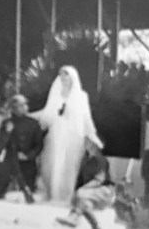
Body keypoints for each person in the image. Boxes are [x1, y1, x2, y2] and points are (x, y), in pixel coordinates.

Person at [29, 66, 102, 204]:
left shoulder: (82, 96)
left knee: (69, 167)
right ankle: (53, 195)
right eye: (61, 75)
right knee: (55, 164)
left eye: (66, 75)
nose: (63, 78)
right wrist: (29, 116)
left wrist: (93, 136)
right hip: (57, 135)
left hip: (73, 137)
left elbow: (86, 119)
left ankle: (65, 196)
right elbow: (47, 114)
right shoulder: (56, 94)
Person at [56, 151, 115, 229]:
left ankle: (74, 216)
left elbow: (99, 180)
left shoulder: (98, 159)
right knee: (85, 205)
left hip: (105, 192)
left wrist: (82, 190)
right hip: (95, 195)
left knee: (81, 194)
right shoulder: (83, 166)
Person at [0, 94, 44, 202]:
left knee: (29, 193)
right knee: (0, 193)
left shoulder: (33, 124)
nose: (25, 107)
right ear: (14, 108)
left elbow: (39, 145)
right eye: (21, 105)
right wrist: (7, 133)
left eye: (25, 104)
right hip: (10, 163)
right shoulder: (7, 123)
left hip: (28, 165)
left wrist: (28, 156)